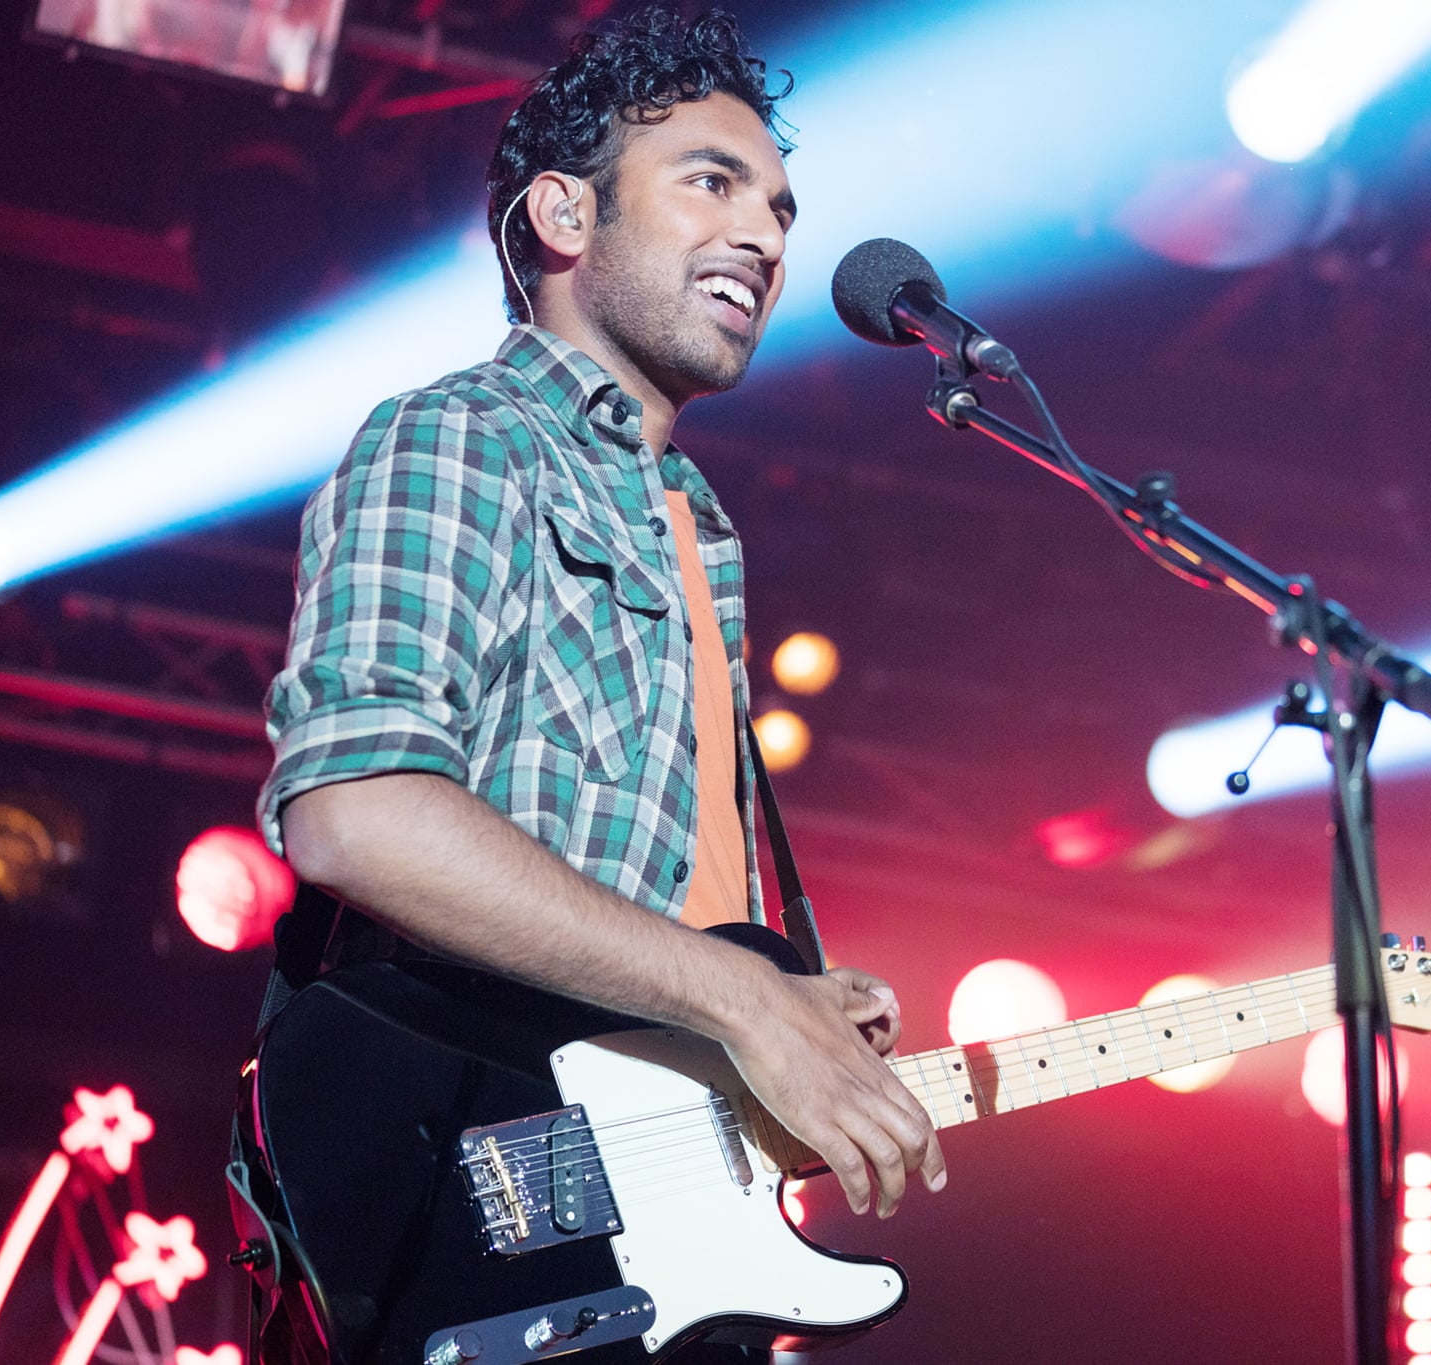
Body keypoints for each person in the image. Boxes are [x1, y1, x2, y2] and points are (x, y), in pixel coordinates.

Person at [255, 8, 945, 1353]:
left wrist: (780, 998)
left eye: (783, 208)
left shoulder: (702, 528)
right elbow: (356, 807)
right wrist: (739, 995)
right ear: (564, 216)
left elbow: (658, 934)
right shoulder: (463, 439)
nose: (767, 234)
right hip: (473, 1225)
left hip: (643, 1254)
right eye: (713, 181)